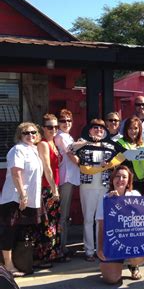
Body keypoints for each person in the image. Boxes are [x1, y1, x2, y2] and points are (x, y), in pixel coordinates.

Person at [0, 123, 43, 277]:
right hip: (14, 198)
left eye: (33, 132)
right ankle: (8, 265)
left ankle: (21, 262)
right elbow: (16, 173)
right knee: (9, 230)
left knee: (21, 231)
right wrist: (22, 195)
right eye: (26, 133)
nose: (30, 135)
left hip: (29, 198)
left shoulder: (33, 150)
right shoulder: (17, 150)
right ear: (20, 135)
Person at [72, 119, 117, 262]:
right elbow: (69, 149)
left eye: (101, 128)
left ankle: (100, 249)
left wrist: (110, 164)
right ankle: (89, 251)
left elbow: (119, 159)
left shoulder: (109, 146)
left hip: (103, 186)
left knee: (100, 219)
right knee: (88, 219)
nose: (98, 130)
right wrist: (86, 142)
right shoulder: (82, 144)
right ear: (90, 130)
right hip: (87, 186)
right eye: (95, 128)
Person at [96, 166, 144, 284]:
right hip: (113, 243)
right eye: (117, 176)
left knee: (140, 257)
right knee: (112, 279)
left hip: (130, 241)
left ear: (129, 181)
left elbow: (140, 221)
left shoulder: (135, 195)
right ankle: (110, 265)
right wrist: (99, 249)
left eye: (124, 177)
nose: (120, 179)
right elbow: (101, 226)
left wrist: (120, 203)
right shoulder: (105, 198)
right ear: (112, 179)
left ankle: (133, 265)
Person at [32, 114, 62, 268]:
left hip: (53, 186)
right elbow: (47, 168)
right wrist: (53, 188)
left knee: (54, 221)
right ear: (43, 128)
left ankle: (53, 253)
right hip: (47, 187)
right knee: (47, 223)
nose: (53, 129)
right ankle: (43, 256)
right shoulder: (43, 144)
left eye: (56, 126)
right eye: (50, 127)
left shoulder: (53, 142)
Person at [54, 108, 80, 260]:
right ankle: (60, 249)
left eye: (69, 120)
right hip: (65, 178)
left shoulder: (67, 136)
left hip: (69, 177)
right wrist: (85, 165)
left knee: (64, 214)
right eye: (63, 121)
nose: (66, 123)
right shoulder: (61, 137)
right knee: (63, 215)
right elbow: (71, 156)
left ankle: (61, 247)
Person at [116, 117, 144, 195]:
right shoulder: (119, 143)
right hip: (125, 181)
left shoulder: (142, 144)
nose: (133, 131)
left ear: (140, 129)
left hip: (141, 181)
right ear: (126, 129)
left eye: (135, 128)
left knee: (138, 205)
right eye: (130, 128)